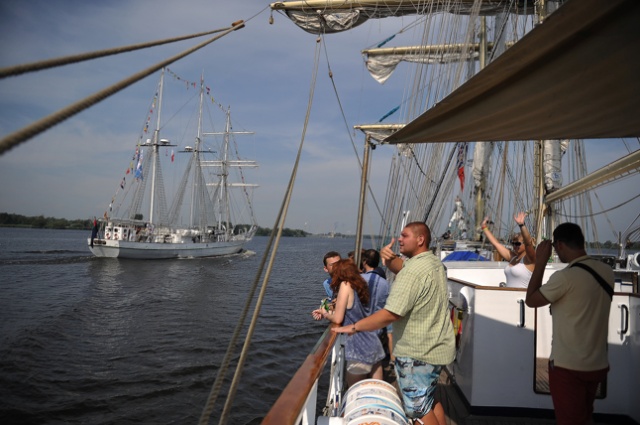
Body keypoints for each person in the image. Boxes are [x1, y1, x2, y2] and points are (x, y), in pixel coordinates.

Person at [334, 222, 455, 425]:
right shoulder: (434, 263)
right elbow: (403, 267)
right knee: (429, 401)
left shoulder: (412, 272)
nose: (399, 239)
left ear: (420, 239)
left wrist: (354, 327)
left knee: (418, 411)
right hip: (436, 348)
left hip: (417, 353)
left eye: (404, 235)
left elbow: (391, 313)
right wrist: (389, 261)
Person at [525, 222, 614, 425]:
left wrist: (540, 263)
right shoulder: (606, 272)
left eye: (556, 248)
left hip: (568, 367)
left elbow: (531, 300)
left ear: (561, 245)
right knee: (584, 416)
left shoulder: (564, 278)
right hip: (597, 364)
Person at [312, 259, 385, 386]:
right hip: (373, 341)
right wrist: (328, 312)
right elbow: (354, 310)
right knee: (377, 389)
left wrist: (325, 314)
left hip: (358, 346)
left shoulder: (345, 285)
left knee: (354, 391)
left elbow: (338, 319)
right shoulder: (361, 283)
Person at [481, 212, 536, 288]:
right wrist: (484, 227)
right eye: (513, 243)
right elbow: (496, 244)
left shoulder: (530, 259)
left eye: (517, 244)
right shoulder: (513, 257)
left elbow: (528, 243)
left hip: (523, 298)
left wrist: (522, 225)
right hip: (509, 296)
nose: (515, 246)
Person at [360, 249, 393, 361]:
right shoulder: (385, 284)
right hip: (378, 327)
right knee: (375, 363)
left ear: (364, 262)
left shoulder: (358, 281)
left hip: (361, 327)